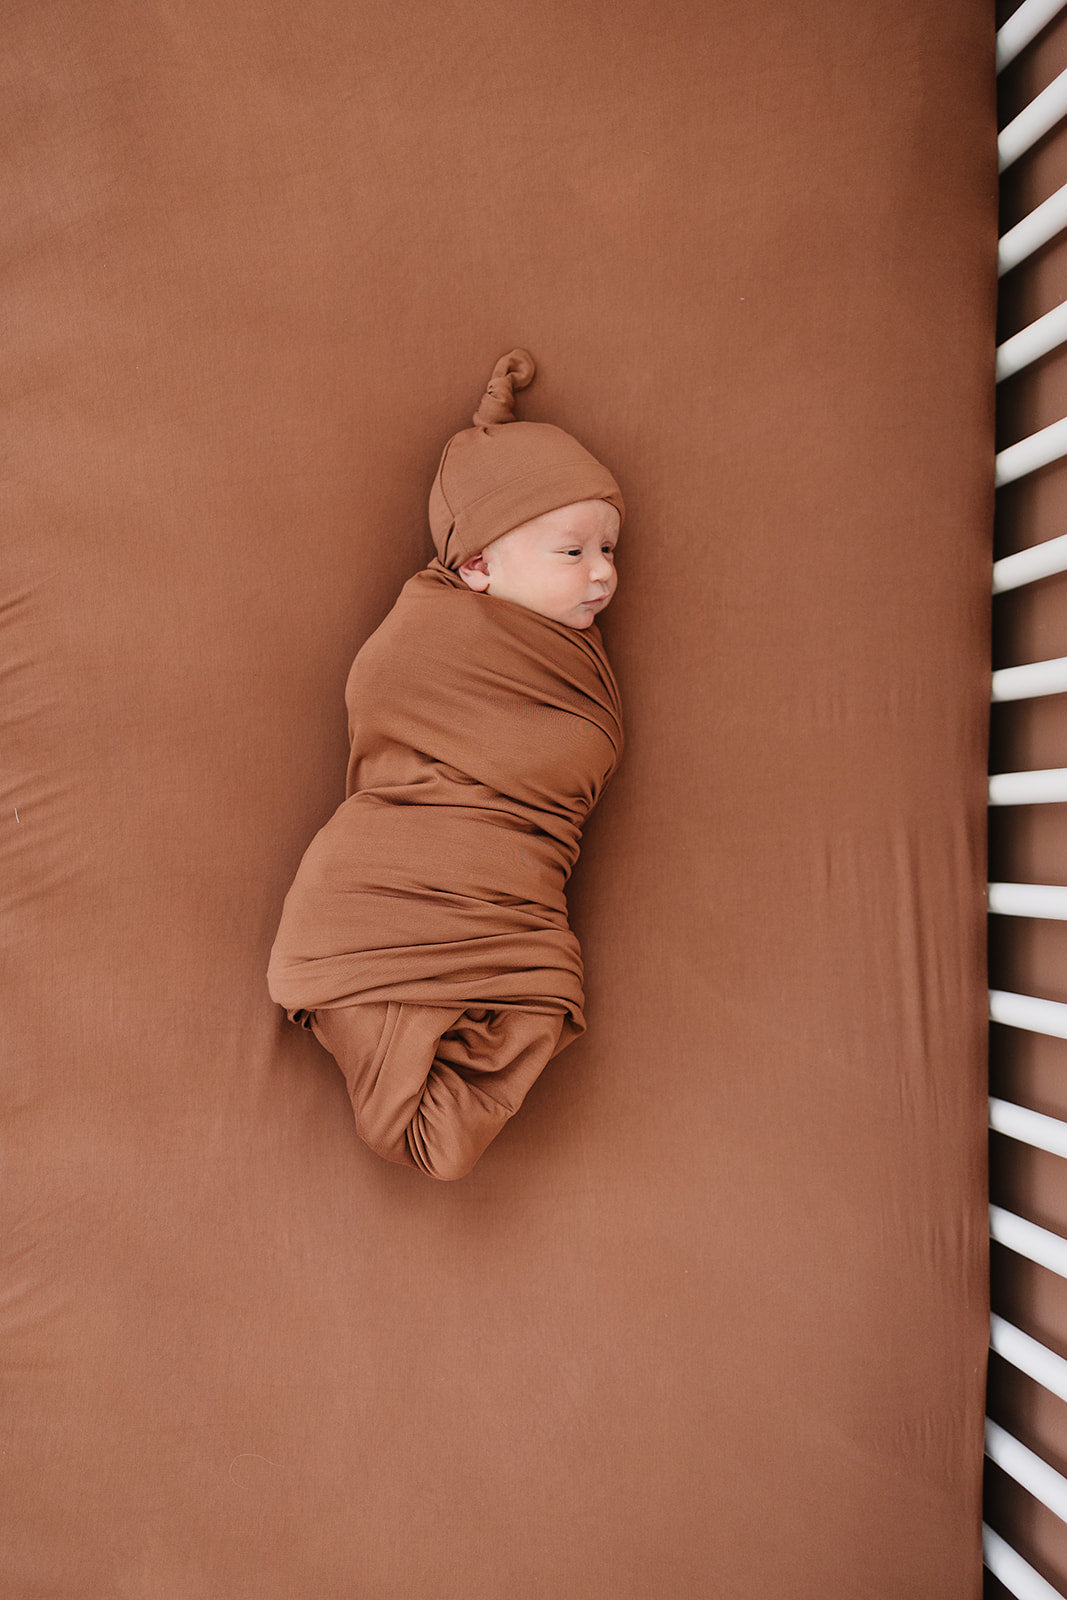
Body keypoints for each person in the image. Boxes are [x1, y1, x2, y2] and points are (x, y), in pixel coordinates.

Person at [267, 348, 626, 1180]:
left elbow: (571, 763)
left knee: (544, 1004)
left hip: (509, 892)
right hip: (380, 890)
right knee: (433, 1123)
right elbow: (386, 697)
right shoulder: (433, 631)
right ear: (477, 567)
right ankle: (396, 1038)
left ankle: (425, 1044)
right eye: (572, 553)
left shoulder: (573, 663)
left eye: (610, 549)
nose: (604, 572)